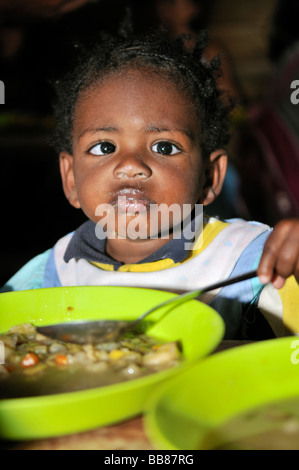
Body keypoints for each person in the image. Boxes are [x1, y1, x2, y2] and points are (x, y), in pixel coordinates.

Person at [1, 30, 299, 340]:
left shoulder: (253, 261)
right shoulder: (53, 273)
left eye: (164, 147)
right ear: (71, 178)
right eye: (104, 147)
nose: (130, 165)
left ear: (210, 177)